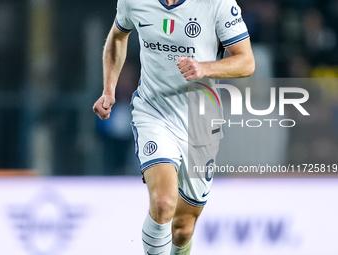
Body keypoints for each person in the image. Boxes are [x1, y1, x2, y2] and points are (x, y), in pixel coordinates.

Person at [93, 0, 255, 254]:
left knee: (182, 228)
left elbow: (246, 62)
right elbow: (117, 37)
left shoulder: (218, 4)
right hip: (153, 112)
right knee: (164, 203)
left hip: (201, 122)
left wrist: (204, 67)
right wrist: (109, 90)